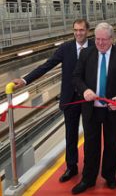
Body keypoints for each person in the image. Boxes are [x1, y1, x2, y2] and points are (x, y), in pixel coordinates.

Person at [12, 19, 92, 183]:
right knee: (70, 135)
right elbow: (46, 66)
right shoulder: (66, 48)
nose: (78, 33)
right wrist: (25, 80)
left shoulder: (94, 47)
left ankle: (90, 168)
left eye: (82, 30)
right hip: (69, 99)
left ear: (88, 31)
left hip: (88, 99)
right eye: (76, 30)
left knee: (91, 135)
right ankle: (72, 167)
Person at [71, 22, 116, 195]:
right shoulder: (86, 53)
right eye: (97, 39)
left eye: (104, 40)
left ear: (112, 39)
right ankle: (88, 178)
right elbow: (76, 77)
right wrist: (84, 90)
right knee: (91, 145)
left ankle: (109, 176)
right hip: (91, 109)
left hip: (112, 110)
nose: (100, 43)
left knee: (112, 144)